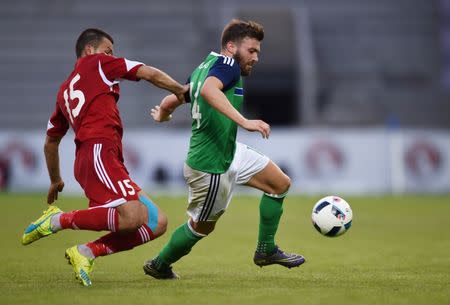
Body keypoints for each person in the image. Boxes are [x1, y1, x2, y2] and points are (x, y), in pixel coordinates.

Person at [21, 28, 188, 286]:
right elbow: (147, 72)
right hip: (98, 150)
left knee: (156, 222)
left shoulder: (64, 91)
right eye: (108, 50)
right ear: (90, 50)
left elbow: (51, 141)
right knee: (132, 218)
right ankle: (57, 220)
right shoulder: (98, 63)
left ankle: (86, 252)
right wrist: (180, 91)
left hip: (102, 155)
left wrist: (55, 180)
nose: (112, 56)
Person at [143, 19, 305, 279]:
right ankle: (159, 264)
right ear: (231, 47)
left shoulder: (204, 67)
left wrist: (163, 111)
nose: (256, 58)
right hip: (210, 165)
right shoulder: (228, 65)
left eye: (258, 53)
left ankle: (266, 249)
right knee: (201, 228)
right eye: (251, 51)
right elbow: (207, 91)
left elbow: (180, 94)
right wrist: (245, 121)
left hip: (229, 151)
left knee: (279, 184)